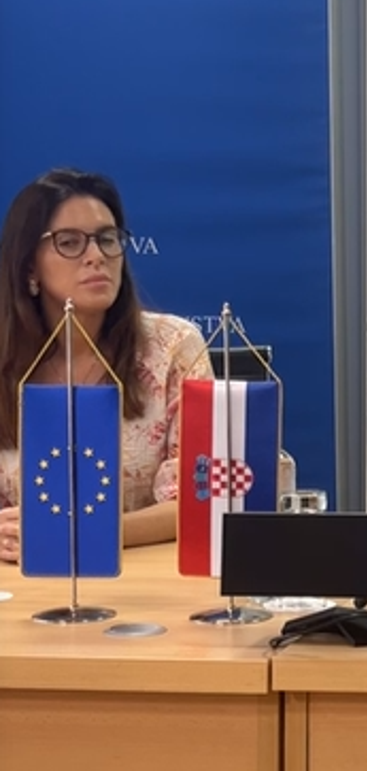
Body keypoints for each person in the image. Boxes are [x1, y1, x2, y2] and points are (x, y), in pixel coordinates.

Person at [0, 168, 213, 563]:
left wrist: (82, 534)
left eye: (107, 239)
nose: (96, 256)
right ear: (29, 267)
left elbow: (199, 499)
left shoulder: (173, 347)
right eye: (69, 243)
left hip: (142, 577)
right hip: (20, 578)